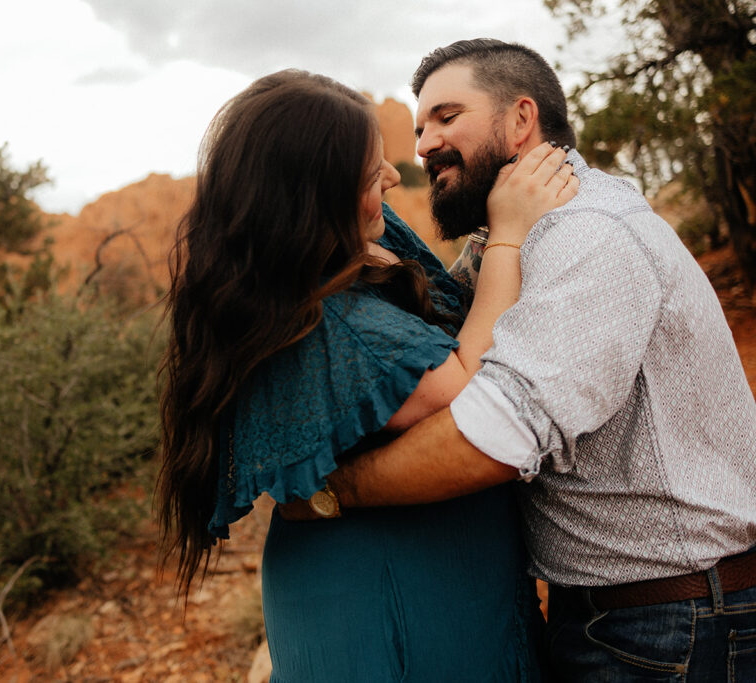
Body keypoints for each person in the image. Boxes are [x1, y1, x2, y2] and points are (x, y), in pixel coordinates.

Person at [294, 39, 756, 681]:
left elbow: (495, 437)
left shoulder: (589, 235)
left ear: (520, 120)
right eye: (420, 125)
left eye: (447, 117)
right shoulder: (521, 233)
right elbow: (457, 323)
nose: (423, 144)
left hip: (670, 624)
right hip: (627, 615)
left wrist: (330, 492)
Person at [155, 68, 577, 681]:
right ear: (313, 196)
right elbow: (463, 380)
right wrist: (509, 234)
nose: (390, 176)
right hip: (386, 588)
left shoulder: (368, 236)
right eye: (367, 172)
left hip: (444, 566)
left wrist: (491, 237)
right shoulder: (331, 322)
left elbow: (452, 305)